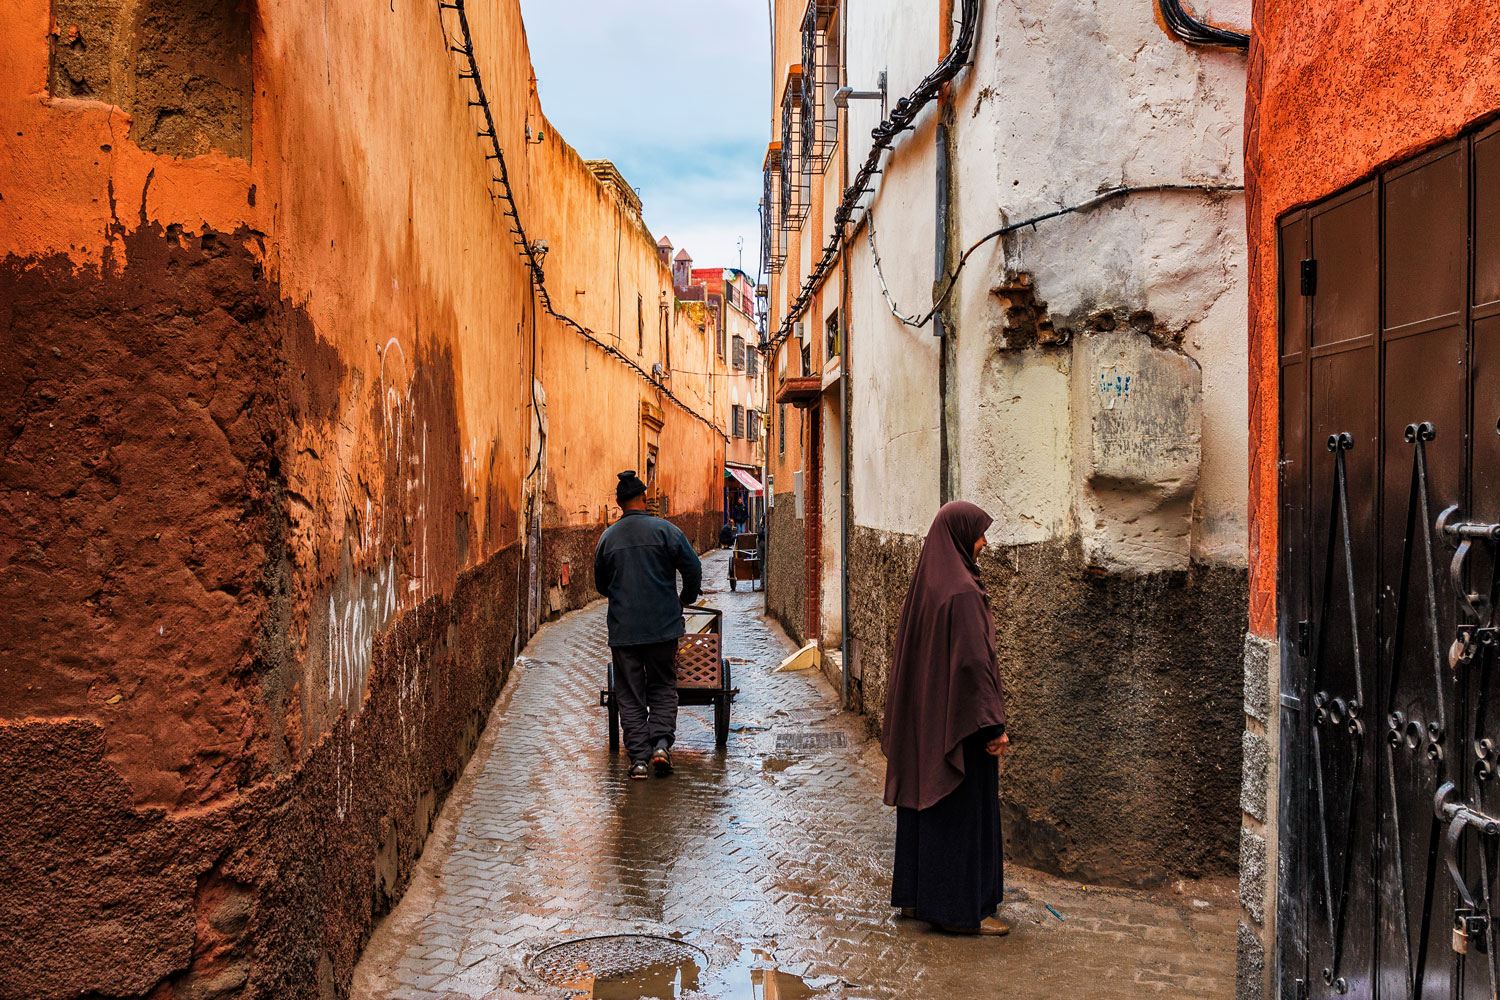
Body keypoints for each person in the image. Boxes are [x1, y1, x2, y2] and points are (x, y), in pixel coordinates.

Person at [883, 501, 1011, 936]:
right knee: (963, 813)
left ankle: (918, 899)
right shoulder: (963, 592)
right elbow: (974, 665)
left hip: (925, 721)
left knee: (924, 806)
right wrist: (993, 726)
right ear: (959, 534)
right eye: (978, 533)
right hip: (961, 726)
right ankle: (967, 910)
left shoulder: (927, 585)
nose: (984, 542)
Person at [594, 470, 703, 780]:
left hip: (624, 631)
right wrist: (686, 596)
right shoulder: (666, 531)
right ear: (643, 499)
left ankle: (639, 760)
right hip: (663, 627)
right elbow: (693, 568)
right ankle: (660, 746)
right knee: (663, 686)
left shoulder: (607, 539)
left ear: (619, 504)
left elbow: (602, 585)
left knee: (629, 694)